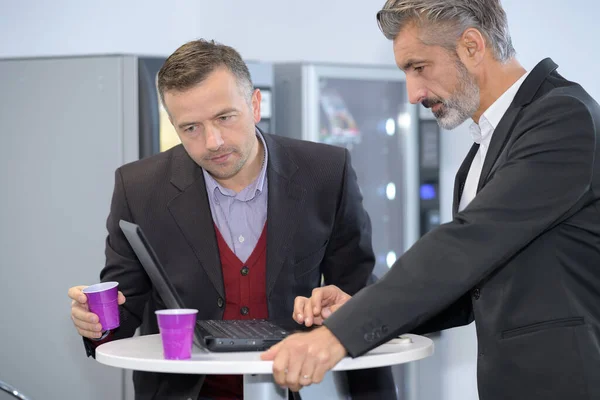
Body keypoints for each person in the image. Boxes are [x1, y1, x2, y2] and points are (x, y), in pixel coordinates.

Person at [261, 1, 600, 399]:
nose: (412, 93)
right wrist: (356, 307)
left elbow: (466, 245)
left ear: (472, 46)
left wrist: (339, 335)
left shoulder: (562, 117)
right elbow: (467, 288)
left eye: (418, 67)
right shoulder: (486, 146)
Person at [68, 39, 397, 400]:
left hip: (297, 388)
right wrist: (96, 323)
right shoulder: (139, 188)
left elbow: (361, 301)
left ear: (254, 105)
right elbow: (122, 307)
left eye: (224, 118)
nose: (213, 141)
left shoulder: (326, 172)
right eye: (190, 128)